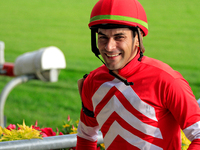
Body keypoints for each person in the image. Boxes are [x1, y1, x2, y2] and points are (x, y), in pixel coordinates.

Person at [76, 0, 200, 149]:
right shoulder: (92, 82)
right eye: (103, 37)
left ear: (138, 38)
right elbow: (86, 137)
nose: (109, 46)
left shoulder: (167, 80)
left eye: (119, 37)